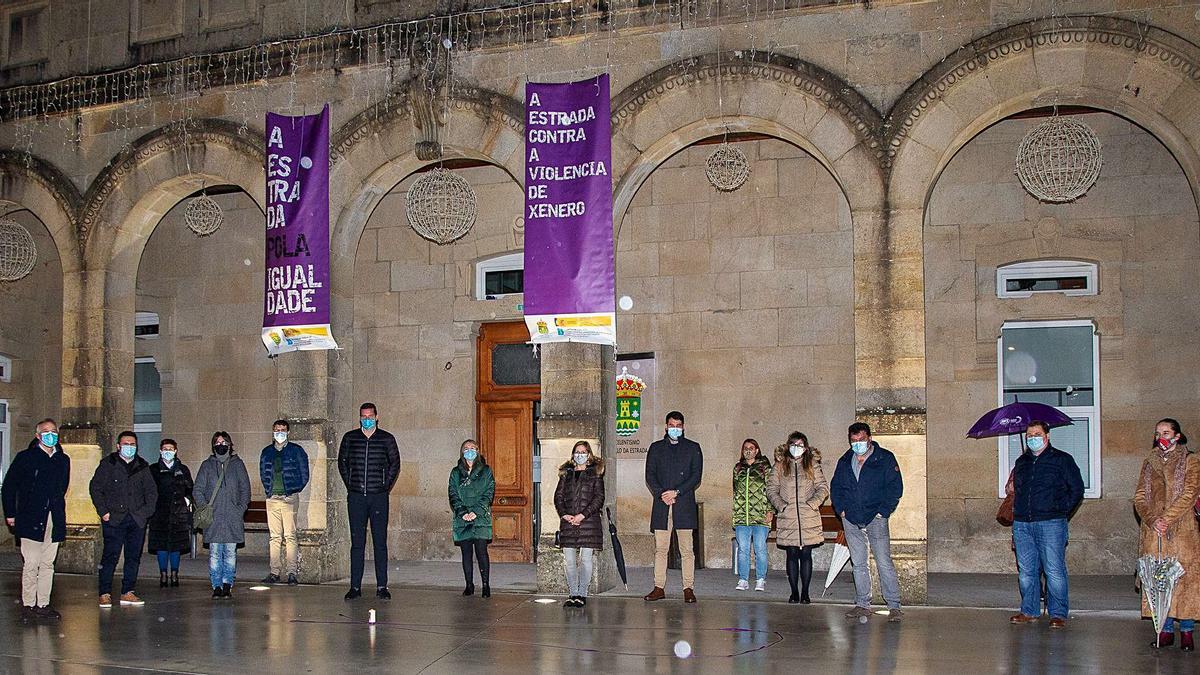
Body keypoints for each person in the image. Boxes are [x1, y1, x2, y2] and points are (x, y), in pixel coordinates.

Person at [1009, 420, 1084, 629]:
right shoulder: (1021, 462)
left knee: (1054, 569)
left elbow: (1076, 489)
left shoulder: (1062, 460)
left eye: (1036, 434)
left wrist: (1060, 511)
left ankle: (1058, 612)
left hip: (1051, 522)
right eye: (1029, 435)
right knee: (1026, 571)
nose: (1032, 438)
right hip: (1023, 523)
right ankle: (1029, 610)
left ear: (1047, 436)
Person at [1134, 418, 1200, 650]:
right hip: (1155, 532)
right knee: (1158, 580)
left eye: (1166, 432)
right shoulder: (1149, 462)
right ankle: (1165, 629)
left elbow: (1190, 492)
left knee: (1184, 581)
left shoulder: (1191, 460)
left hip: (1182, 530)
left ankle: (1188, 632)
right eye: (1157, 432)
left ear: (1177, 436)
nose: (1161, 436)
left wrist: (1167, 518)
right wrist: (1152, 519)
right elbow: (1140, 496)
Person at [830, 421, 904, 622]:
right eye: (853, 441)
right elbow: (836, 487)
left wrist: (883, 511)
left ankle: (894, 605)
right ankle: (863, 604)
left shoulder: (885, 458)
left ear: (869, 438)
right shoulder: (845, 460)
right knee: (859, 563)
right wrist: (841, 510)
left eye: (861, 440)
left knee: (883, 561)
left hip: (876, 517)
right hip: (851, 517)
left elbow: (895, 487)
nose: (857, 444)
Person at [3, 418, 70, 623]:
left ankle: (43, 604)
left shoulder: (62, 459)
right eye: (46, 432)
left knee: (47, 563)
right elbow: (9, 487)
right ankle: (28, 605)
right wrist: (11, 513)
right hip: (30, 517)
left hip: (54, 517)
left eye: (54, 432)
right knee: (31, 563)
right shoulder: (26, 458)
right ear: (38, 435)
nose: (51, 435)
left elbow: (63, 487)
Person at [338, 402, 401, 601]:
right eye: (363, 416)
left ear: (376, 417)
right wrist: (351, 484)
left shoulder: (386, 439)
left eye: (370, 416)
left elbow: (395, 464)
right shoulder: (350, 438)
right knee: (357, 543)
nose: (366, 419)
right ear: (359, 418)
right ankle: (355, 586)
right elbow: (342, 462)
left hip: (378, 497)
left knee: (379, 543)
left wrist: (384, 486)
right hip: (356, 497)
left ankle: (382, 585)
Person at [89, 430, 158, 608]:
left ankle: (128, 591)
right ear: (118, 446)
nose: (129, 447)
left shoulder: (142, 466)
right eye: (126, 444)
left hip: (136, 519)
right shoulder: (108, 464)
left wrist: (145, 513)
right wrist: (103, 511)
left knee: (133, 556)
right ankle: (104, 593)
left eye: (132, 444)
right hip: (114, 519)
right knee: (110, 557)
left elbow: (151, 492)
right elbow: (96, 488)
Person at [644, 410, 704, 604]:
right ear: (666, 426)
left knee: (687, 549)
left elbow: (695, 476)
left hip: (683, 504)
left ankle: (688, 588)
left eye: (678, 426)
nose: (675, 429)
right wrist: (663, 493)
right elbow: (650, 475)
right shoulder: (656, 448)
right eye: (672, 425)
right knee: (660, 549)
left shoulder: (693, 448)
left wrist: (677, 492)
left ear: (683, 427)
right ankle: (658, 587)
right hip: (662, 505)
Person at [768, 431, 829, 604]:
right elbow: (771, 489)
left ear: (806, 447)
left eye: (800, 445)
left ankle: (805, 592)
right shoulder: (780, 466)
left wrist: (812, 503)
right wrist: (781, 505)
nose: (797, 448)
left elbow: (822, 488)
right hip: (788, 517)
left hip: (808, 517)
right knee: (792, 554)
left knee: (806, 554)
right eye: (794, 445)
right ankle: (794, 591)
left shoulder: (812, 465)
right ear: (788, 446)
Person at [193, 432, 251, 599]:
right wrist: (205, 507)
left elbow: (245, 489)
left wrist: (240, 508)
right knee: (215, 553)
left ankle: (228, 584)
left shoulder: (238, 465)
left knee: (231, 553)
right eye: (218, 442)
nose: (221, 444)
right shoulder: (207, 465)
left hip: (232, 517)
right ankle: (216, 585)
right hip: (214, 517)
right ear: (213, 445)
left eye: (224, 441)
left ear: (230, 444)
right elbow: (198, 489)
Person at [554, 440, 605, 607]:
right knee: (569, 561)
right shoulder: (566, 474)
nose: (580, 455)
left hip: (588, 522)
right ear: (573, 454)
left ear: (589, 454)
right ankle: (572, 593)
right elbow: (558, 497)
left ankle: (582, 593)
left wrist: (583, 515)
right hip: (569, 522)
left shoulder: (595, 474)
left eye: (583, 452)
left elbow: (598, 498)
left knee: (585, 560)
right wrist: (565, 514)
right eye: (577, 451)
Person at [259, 419, 310, 586]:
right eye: (276, 430)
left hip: (289, 497)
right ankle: (274, 571)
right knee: (274, 537)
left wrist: (294, 488)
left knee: (290, 536)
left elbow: (304, 474)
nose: (279, 432)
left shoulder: (296, 451)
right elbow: (263, 473)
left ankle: (291, 572)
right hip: (272, 498)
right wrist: (269, 489)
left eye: (282, 430)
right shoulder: (267, 452)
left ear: (288, 432)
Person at [449, 439, 495, 598]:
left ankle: (485, 585)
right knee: (466, 553)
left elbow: (489, 492)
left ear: (478, 451)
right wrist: (463, 512)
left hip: (480, 517)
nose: (469, 451)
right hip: (463, 518)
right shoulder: (456, 472)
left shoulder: (486, 471)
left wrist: (476, 511)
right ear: (462, 452)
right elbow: (453, 493)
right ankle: (469, 584)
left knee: (482, 551)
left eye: (473, 448)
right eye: (466, 448)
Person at [147, 438, 193, 589]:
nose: (168, 451)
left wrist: (187, 499)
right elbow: (149, 491)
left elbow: (189, 487)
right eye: (165, 449)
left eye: (170, 449)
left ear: (175, 451)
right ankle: (163, 573)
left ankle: (174, 573)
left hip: (178, 513)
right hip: (159, 513)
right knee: (162, 546)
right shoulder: (153, 469)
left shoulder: (183, 469)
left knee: (175, 546)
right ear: (160, 451)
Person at [732, 438, 772, 593]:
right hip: (742, 515)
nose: (748, 450)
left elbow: (771, 490)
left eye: (751, 447)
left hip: (760, 515)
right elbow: (735, 491)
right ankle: (743, 579)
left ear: (757, 450)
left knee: (760, 548)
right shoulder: (737, 468)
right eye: (745, 448)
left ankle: (760, 579)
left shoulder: (765, 467)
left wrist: (770, 510)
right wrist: (736, 513)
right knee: (743, 549)